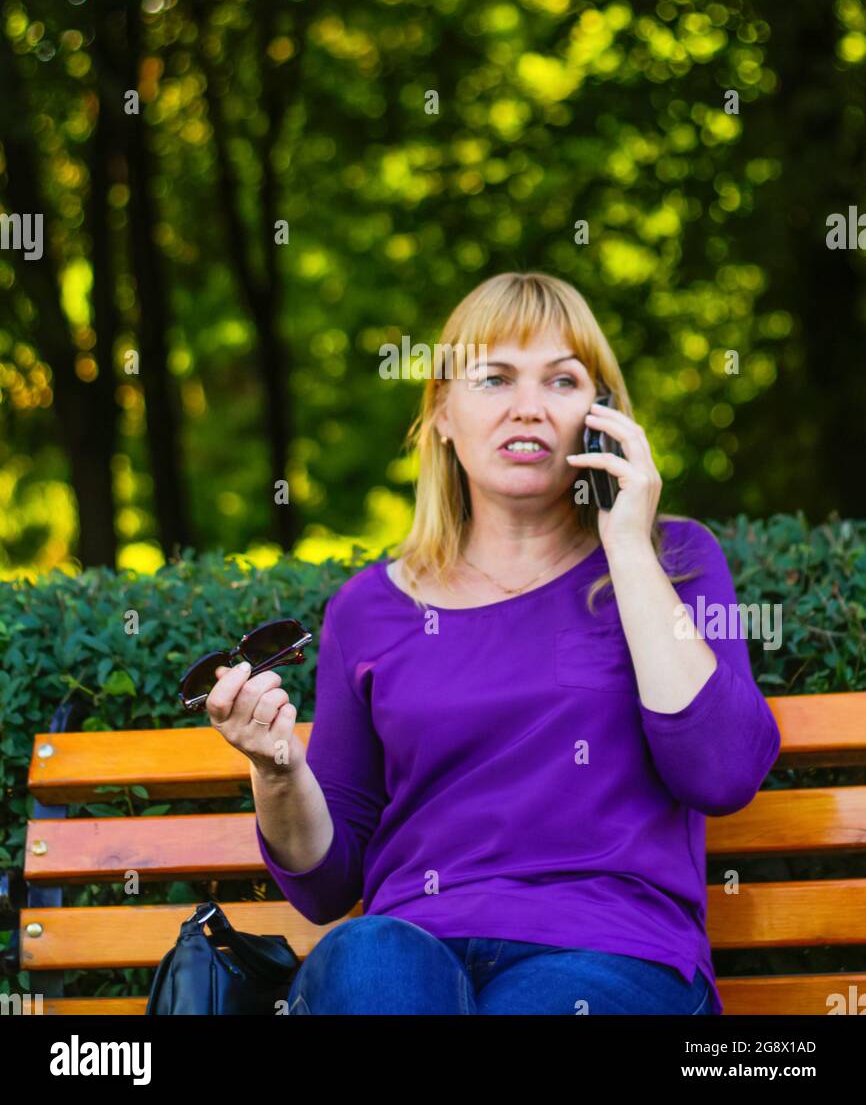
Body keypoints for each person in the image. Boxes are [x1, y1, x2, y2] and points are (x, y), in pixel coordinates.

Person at [206, 271, 781, 1015]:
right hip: (409, 952)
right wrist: (277, 772)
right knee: (365, 957)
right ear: (442, 412)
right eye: (495, 378)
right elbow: (325, 887)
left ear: (601, 417)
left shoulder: (674, 562)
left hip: (612, 955)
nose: (530, 407)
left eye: (563, 380)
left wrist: (628, 545)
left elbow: (722, 772)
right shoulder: (369, 610)